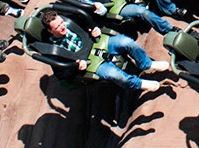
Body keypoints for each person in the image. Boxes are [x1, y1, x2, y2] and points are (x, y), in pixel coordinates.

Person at [34, 8, 169, 91]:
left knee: (127, 42)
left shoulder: (72, 22)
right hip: (89, 62)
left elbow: (89, 19)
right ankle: (139, 84)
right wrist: (76, 67)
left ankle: (147, 64)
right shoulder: (52, 50)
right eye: (57, 27)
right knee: (114, 75)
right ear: (50, 31)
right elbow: (62, 74)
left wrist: (95, 28)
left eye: (61, 22)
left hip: (98, 43)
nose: (62, 27)